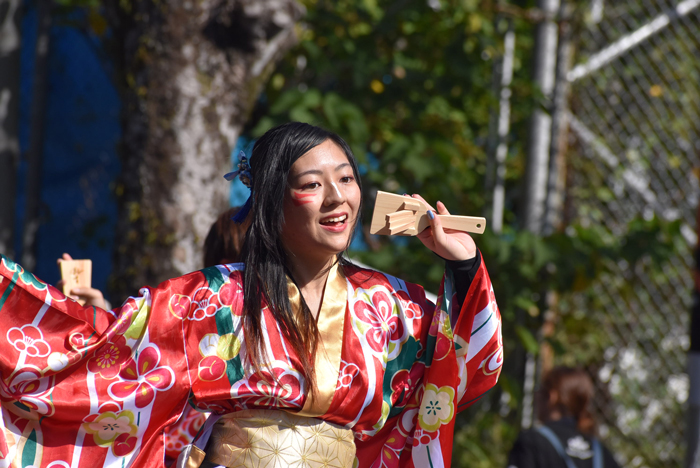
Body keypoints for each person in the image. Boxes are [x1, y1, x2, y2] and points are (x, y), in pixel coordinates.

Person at [0, 122, 502, 468]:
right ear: (272, 201)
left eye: (346, 179)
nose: (337, 197)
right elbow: (95, 356)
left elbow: (462, 367)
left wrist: (461, 263)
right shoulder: (208, 300)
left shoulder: (392, 305)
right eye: (311, 183)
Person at [507, 366, 620, 468]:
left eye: (540, 390)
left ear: (552, 397)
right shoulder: (600, 451)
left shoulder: (532, 442)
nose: (536, 396)